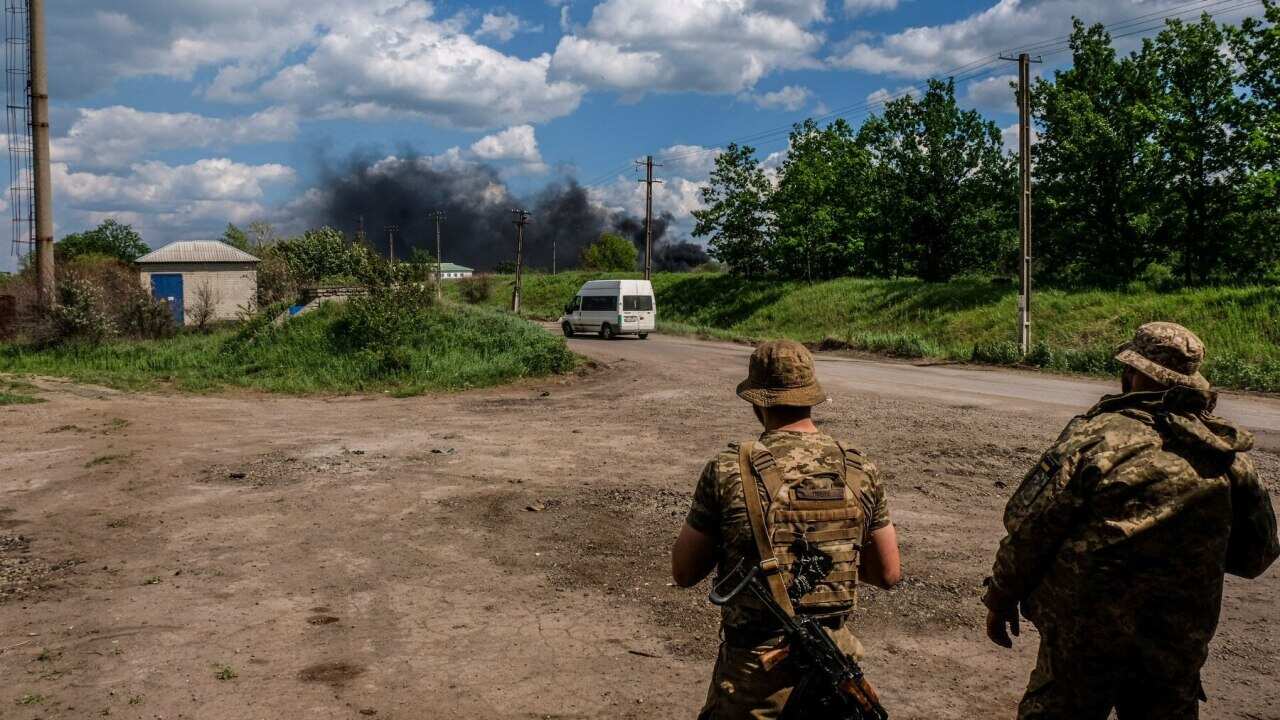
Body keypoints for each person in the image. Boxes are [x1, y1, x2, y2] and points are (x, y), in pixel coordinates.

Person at [983, 322, 1279, 719]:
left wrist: (1001, 596)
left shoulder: (1097, 439)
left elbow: (1031, 528)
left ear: (1134, 374)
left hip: (1084, 641)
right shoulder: (1227, 456)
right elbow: (1257, 555)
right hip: (1175, 643)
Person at [671, 339, 902, 720]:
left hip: (754, 678)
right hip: (834, 670)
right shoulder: (859, 468)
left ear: (757, 402)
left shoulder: (728, 469)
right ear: (811, 397)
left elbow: (684, 572)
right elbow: (888, 573)